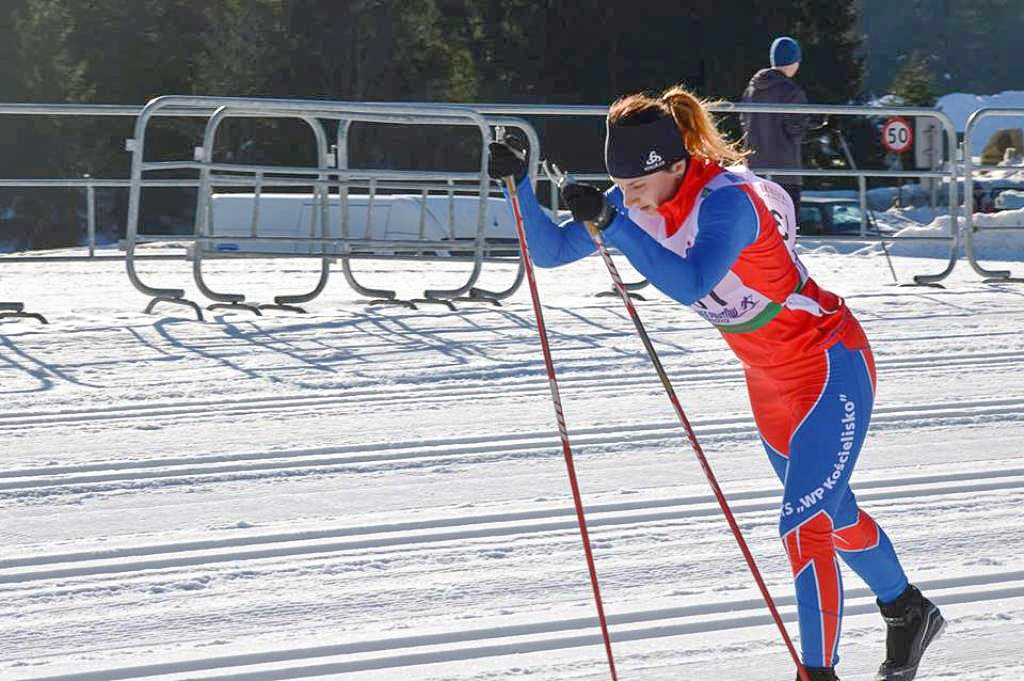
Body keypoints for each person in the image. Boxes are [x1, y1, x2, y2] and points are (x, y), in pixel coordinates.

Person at [488, 85, 945, 681]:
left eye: (636, 185)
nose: (628, 197)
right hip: (768, 381)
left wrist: (616, 226)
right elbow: (548, 252)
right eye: (619, 186)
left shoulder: (729, 203)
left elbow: (693, 280)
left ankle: (817, 672)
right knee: (832, 513)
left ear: (675, 166)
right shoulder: (635, 200)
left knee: (803, 525)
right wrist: (517, 186)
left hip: (829, 365)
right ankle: (908, 610)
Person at [741, 36, 821, 219]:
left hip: (755, 172)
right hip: (785, 174)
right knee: (786, 227)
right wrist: (820, 127)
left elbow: (744, 124)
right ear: (794, 61)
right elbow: (796, 131)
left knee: (760, 227)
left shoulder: (751, 91)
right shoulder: (792, 92)